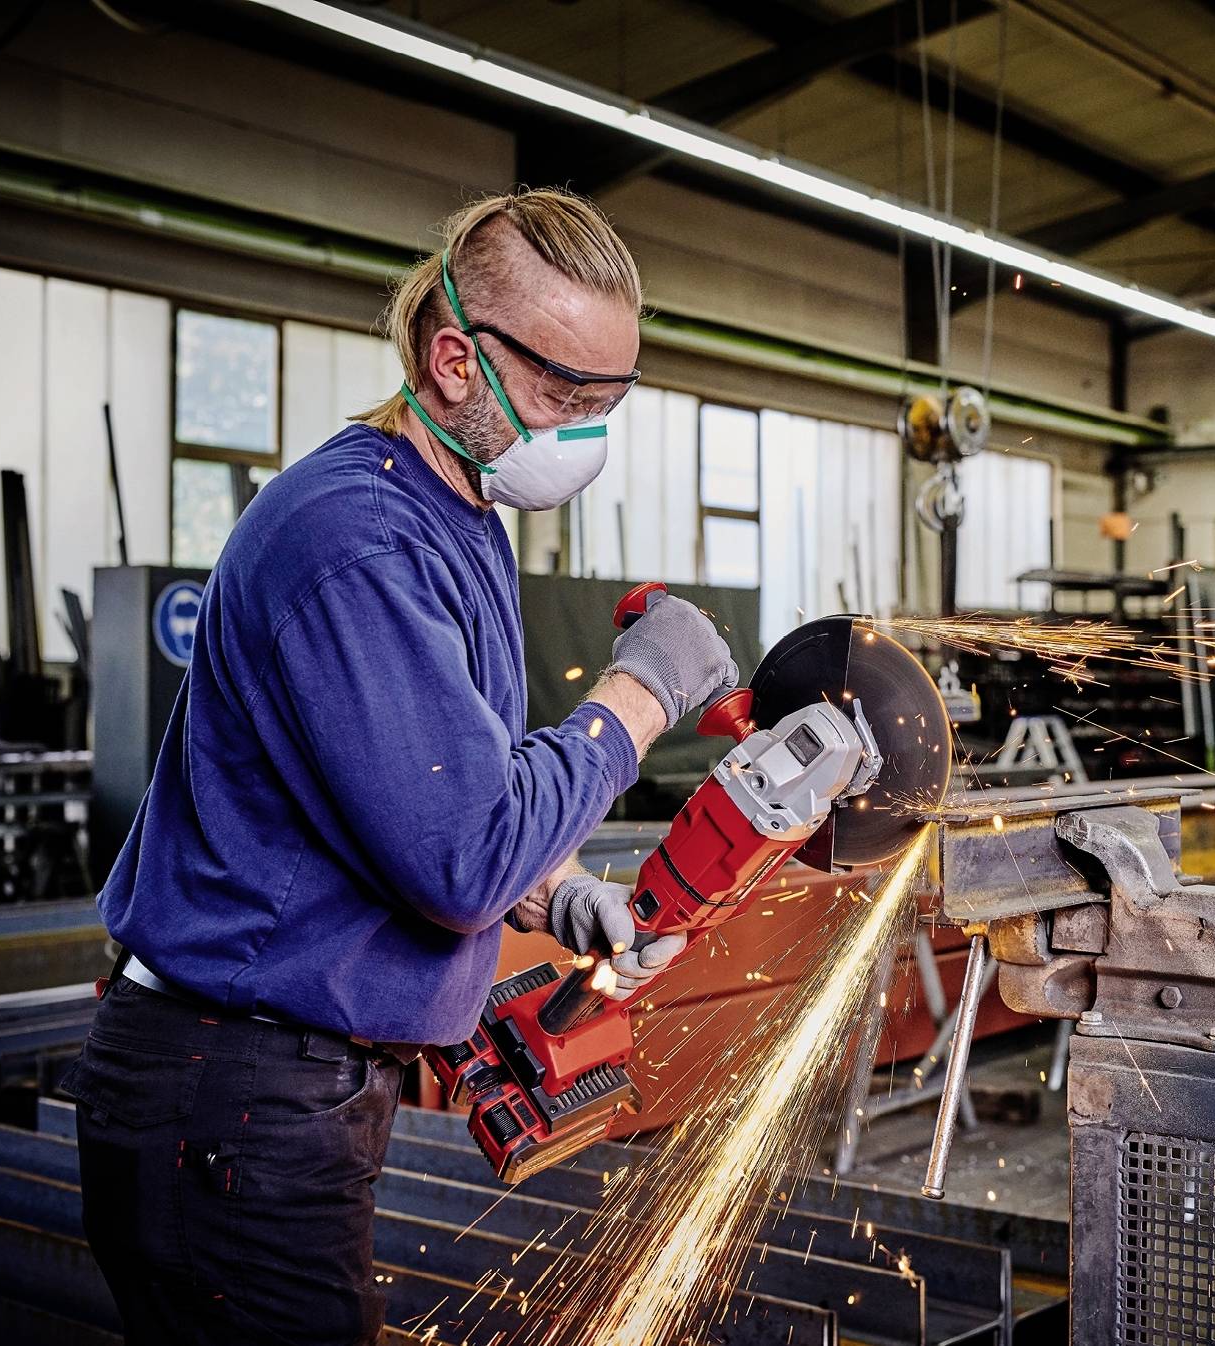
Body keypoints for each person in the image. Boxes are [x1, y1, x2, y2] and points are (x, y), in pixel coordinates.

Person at [61, 189, 735, 1344]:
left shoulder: (454, 516)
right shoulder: (354, 540)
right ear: (454, 360)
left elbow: (426, 791)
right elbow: (459, 855)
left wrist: (560, 890)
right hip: (232, 1095)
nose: (584, 431)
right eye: (563, 395)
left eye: (606, 402)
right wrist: (638, 696)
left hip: (282, 1094)